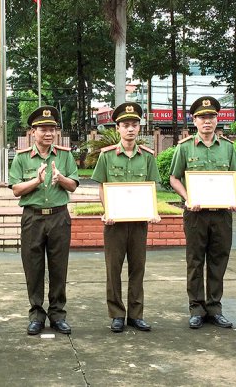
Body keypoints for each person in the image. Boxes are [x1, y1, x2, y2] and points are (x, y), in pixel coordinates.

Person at [169, 97, 236, 329]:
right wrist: (188, 198)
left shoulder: (228, 148)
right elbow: (174, 178)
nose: (207, 121)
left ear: (217, 119)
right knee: (195, 260)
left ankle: (214, 307)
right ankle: (196, 308)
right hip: (196, 214)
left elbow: (235, 177)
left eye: (211, 117)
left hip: (222, 214)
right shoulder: (185, 147)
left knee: (218, 260)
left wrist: (234, 197)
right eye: (202, 117)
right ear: (194, 120)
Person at [9, 105, 79, 335]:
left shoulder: (65, 155)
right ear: (33, 132)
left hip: (59, 216)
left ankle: (58, 314)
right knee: (33, 267)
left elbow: (74, 185)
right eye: (43, 129)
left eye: (52, 129)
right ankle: (37, 314)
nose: (48, 134)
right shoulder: (21, 158)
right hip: (33, 218)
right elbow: (16, 189)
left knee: (59, 268)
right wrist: (36, 182)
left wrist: (61, 179)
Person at [91, 102, 160, 333]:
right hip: (115, 223)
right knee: (113, 269)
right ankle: (117, 314)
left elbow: (151, 187)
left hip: (139, 223)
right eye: (125, 125)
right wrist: (107, 209)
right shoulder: (107, 156)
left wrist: (152, 211)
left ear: (139, 128)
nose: (130, 129)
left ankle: (136, 315)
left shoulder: (148, 157)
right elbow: (102, 187)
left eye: (134, 125)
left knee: (137, 268)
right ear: (118, 128)